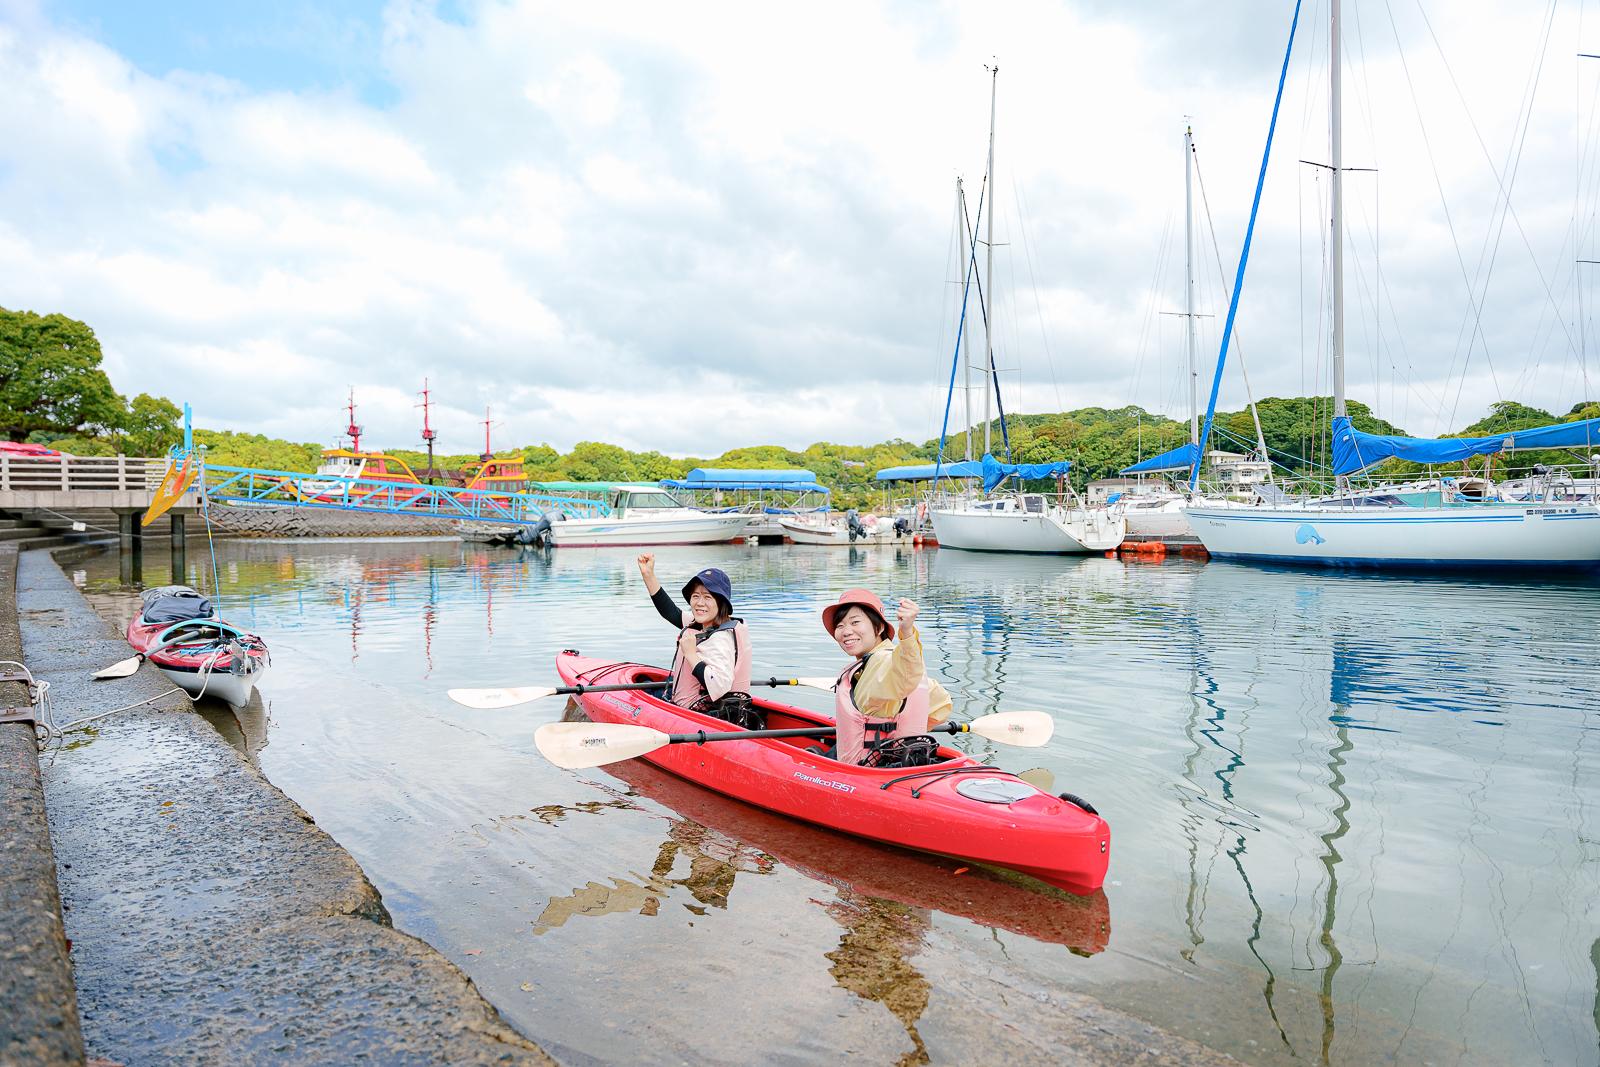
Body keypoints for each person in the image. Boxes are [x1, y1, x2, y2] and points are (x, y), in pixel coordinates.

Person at [822, 588, 953, 765]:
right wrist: (897, 725)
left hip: (864, 770)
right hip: (903, 762)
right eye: (840, 625)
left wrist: (906, 632)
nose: (845, 631)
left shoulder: (880, 663)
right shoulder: (888, 658)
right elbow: (941, 705)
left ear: (879, 627)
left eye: (855, 622)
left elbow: (905, 671)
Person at [636, 554, 754, 721]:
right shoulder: (704, 624)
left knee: (641, 691)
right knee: (644, 682)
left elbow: (719, 685)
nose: (699, 603)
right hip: (695, 708)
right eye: (696, 596)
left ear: (721, 603)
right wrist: (648, 575)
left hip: (699, 716)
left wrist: (691, 654)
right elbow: (671, 612)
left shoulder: (720, 639)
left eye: (707, 597)